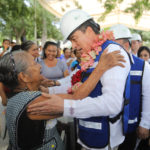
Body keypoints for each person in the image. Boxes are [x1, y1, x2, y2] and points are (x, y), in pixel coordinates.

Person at [28, 9, 131, 150]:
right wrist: (50, 90)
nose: (74, 46)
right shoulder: (90, 54)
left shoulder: (112, 52)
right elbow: (74, 82)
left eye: (74, 39)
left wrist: (65, 107)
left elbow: (111, 104)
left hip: (104, 140)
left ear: (89, 31)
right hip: (84, 132)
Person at [0, 51, 64, 150]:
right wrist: (97, 69)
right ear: (24, 77)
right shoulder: (35, 100)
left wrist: (38, 85)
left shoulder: (15, 97)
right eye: (34, 63)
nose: (40, 66)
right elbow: (75, 102)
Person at [109, 24, 150, 150]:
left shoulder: (143, 66)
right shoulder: (106, 64)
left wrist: (145, 123)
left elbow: (148, 95)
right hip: (109, 127)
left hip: (131, 125)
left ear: (126, 45)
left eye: (112, 44)